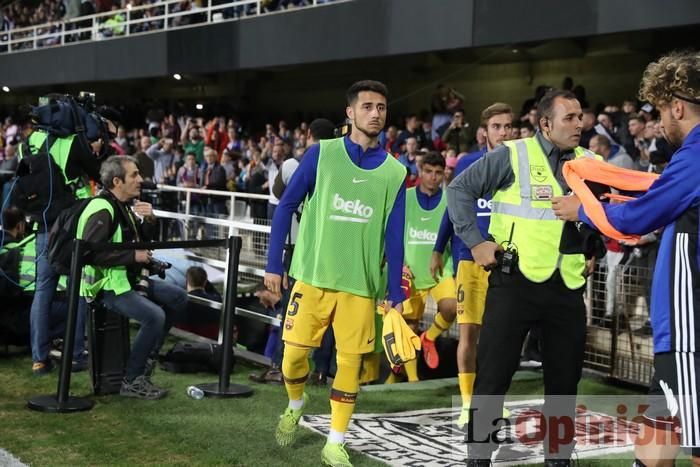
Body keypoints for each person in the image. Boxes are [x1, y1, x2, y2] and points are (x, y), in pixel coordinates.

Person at [552, 50, 700, 467]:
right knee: (654, 445)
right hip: (685, 334)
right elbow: (661, 195)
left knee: (684, 445)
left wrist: (581, 209)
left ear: (678, 106)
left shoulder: (694, 155)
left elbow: (638, 218)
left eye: (659, 113)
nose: (660, 124)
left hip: (690, 334)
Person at [448, 90, 599, 465]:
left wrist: (593, 246)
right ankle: (479, 456)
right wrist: (476, 242)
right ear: (545, 124)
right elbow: (459, 190)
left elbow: (603, 208)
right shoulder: (512, 154)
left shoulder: (592, 162)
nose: (579, 124)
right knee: (493, 377)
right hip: (513, 284)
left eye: (580, 116)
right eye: (570, 118)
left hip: (567, 287)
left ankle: (559, 458)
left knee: (564, 383)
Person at [265, 80, 406, 467]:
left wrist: (395, 289)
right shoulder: (321, 154)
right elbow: (285, 206)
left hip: (360, 286)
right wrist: (273, 266)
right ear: (350, 113)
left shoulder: (396, 172)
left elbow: (395, 237)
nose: (376, 113)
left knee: (351, 364)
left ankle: (335, 441)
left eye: (381, 107)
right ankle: (296, 402)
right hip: (311, 277)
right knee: (292, 359)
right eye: (367, 106)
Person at [77, 155, 187, 399]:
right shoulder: (102, 209)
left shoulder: (121, 206)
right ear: (117, 181)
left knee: (178, 297)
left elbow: (137, 245)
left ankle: (146, 359)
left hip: (126, 279)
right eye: (134, 175)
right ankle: (132, 380)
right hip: (105, 287)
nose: (141, 180)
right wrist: (132, 258)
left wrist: (148, 221)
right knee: (155, 316)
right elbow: (87, 254)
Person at [433, 102, 513, 425]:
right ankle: (468, 403)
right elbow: (453, 205)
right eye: (497, 127)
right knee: (469, 335)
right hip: (469, 259)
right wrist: (439, 248)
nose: (503, 132)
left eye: (508, 127)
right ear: (485, 132)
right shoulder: (469, 162)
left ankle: (493, 398)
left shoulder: (521, 166)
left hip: (506, 260)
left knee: (501, 338)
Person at [390, 151, 455, 383]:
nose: (434, 177)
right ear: (420, 171)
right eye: (429, 171)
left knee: (451, 308)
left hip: (440, 271)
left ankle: (430, 338)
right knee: (408, 327)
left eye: (439, 173)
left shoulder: (451, 200)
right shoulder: (405, 198)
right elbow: (394, 233)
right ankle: (413, 381)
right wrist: (397, 264)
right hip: (411, 273)